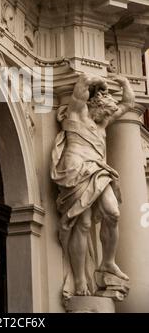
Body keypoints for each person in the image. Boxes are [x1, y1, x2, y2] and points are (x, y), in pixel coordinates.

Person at [51, 73, 134, 297]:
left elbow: (128, 104)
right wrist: (103, 82)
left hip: (98, 171)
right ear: (94, 104)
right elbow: (84, 80)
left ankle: (107, 262)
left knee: (113, 213)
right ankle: (79, 278)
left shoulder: (102, 122)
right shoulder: (77, 113)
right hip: (75, 170)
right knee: (83, 223)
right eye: (103, 112)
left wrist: (126, 83)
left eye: (107, 115)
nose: (105, 118)